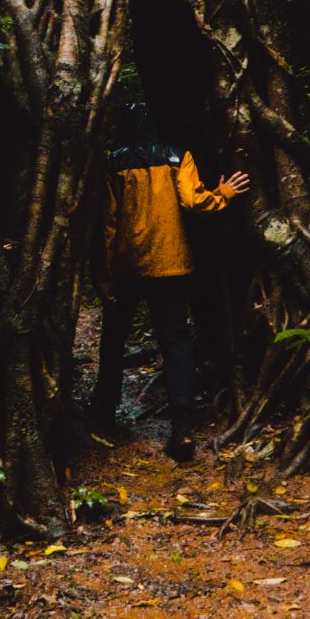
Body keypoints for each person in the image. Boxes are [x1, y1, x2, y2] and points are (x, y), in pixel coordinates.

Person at [91, 103, 248, 463]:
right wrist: (223, 193)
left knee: (114, 338)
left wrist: (102, 272)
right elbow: (193, 201)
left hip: (127, 269)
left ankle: (103, 411)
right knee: (176, 342)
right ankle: (182, 428)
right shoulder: (176, 155)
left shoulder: (114, 163)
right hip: (171, 264)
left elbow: (108, 225)